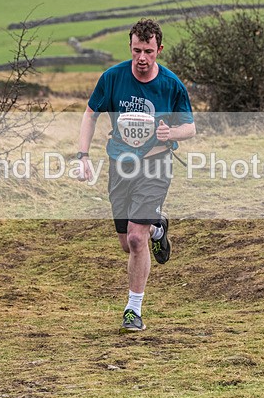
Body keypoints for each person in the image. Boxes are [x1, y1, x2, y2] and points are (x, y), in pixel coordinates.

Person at [77, 18, 195, 333]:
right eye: (137, 51)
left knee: (134, 236)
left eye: (148, 51)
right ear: (130, 47)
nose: (142, 58)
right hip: (120, 165)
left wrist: (172, 133)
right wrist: (83, 155)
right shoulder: (112, 78)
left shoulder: (171, 84)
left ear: (159, 49)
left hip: (155, 165)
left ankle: (134, 310)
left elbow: (190, 127)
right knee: (126, 244)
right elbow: (90, 115)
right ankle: (158, 228)